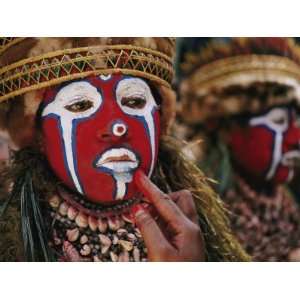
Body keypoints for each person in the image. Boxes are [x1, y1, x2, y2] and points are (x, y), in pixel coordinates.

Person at [0, 37, 249, 262]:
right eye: (80, 105)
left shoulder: (192, 229)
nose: (118, 126)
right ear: (38, 136)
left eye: (134, 101)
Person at [177, 37, 300, 261]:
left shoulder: (288, 208)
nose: (296, 139)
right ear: (228, 129)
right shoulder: (199, 221)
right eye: (278, 121)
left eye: (296, 123)